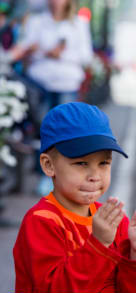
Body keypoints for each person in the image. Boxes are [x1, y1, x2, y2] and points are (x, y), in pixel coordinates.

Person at [13, 102, 136, 293]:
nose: (95, 175)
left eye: (104, 163)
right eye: (81, 163)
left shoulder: (113, 220)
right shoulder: (41, 221)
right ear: (48, 165)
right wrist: (98, 244)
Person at [9, 0, 94, 196]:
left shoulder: (79, 24)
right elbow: (24, 48)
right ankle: (44, 176)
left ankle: (61, 177)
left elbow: (86, 57)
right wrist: (43, 52)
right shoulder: (37, 22)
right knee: (43, 132)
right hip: (39, 84)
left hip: (66, 84)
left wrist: (61, 55)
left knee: (63, 133)